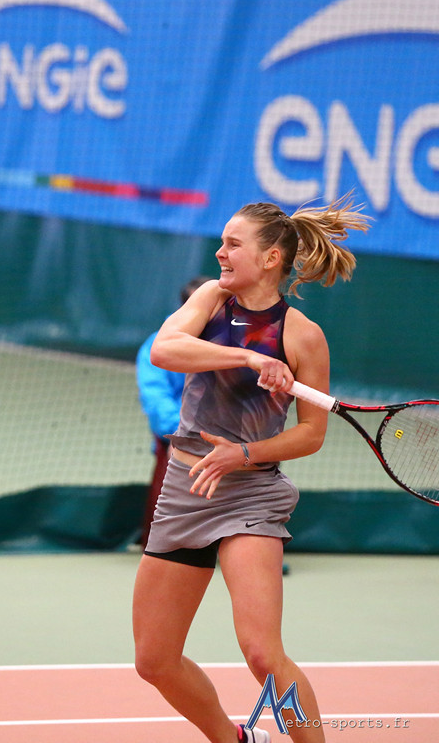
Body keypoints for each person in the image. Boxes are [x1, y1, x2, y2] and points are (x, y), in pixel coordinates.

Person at [132, 197, 370, 743]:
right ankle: (236, 739)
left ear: (269, 258)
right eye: (222, 242)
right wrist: (248, 357)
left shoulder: (302, 335)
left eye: (233, 244)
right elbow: (165, 350)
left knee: (262, 653)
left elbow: (311, 434)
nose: (220, 252)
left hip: (250, 496)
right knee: (154, 660)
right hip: (185, 490)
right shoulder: (210, 301)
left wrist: (242, 454)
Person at [136, 276, 211, 547]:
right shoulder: (158, 343)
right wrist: (184, 434)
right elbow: (155, 397)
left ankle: (255, 545)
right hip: (176, 435)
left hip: (227, 435)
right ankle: (163, 547)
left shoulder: (237, 341)